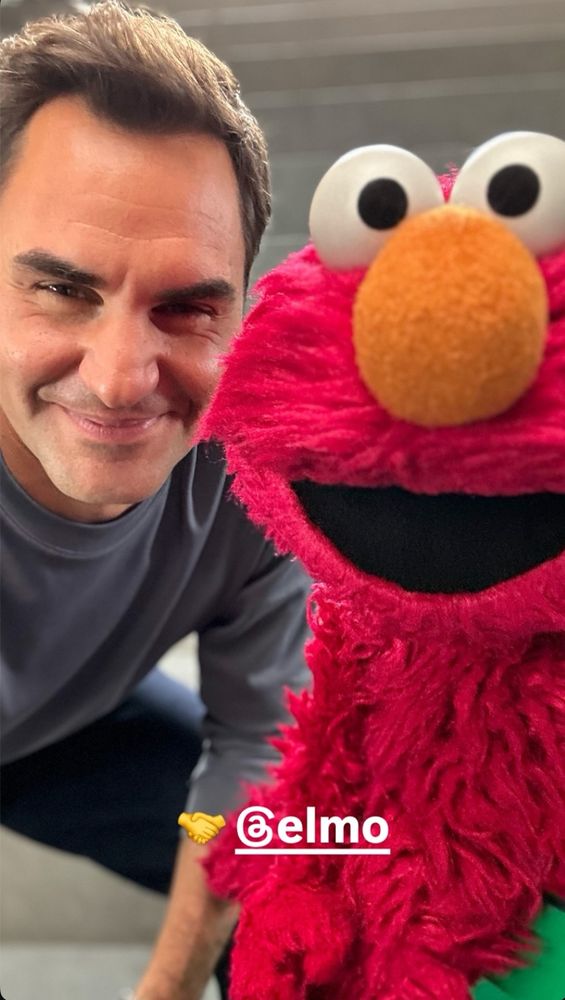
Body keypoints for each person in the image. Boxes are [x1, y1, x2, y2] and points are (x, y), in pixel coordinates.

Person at [0, 3, 310, 998]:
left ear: (245, 306)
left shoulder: (263, 470)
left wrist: (168, 986)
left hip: (71, 728)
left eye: (186, 307)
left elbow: (252, 748)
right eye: (62, 290)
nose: (120, 380)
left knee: (309, 868)